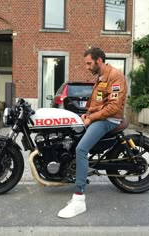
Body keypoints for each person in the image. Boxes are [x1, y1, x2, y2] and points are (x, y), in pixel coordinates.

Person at [57, 47, 127, 218]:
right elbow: (97, 102)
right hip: (98, 117)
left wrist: (91, 118)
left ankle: (79, 199)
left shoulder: (115, 76)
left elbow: (113, 107)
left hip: (109, 120)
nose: (87, 67)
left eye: (89, 63)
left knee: (81, 150)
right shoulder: (101, 77)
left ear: (99, 60)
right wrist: (86, 114)